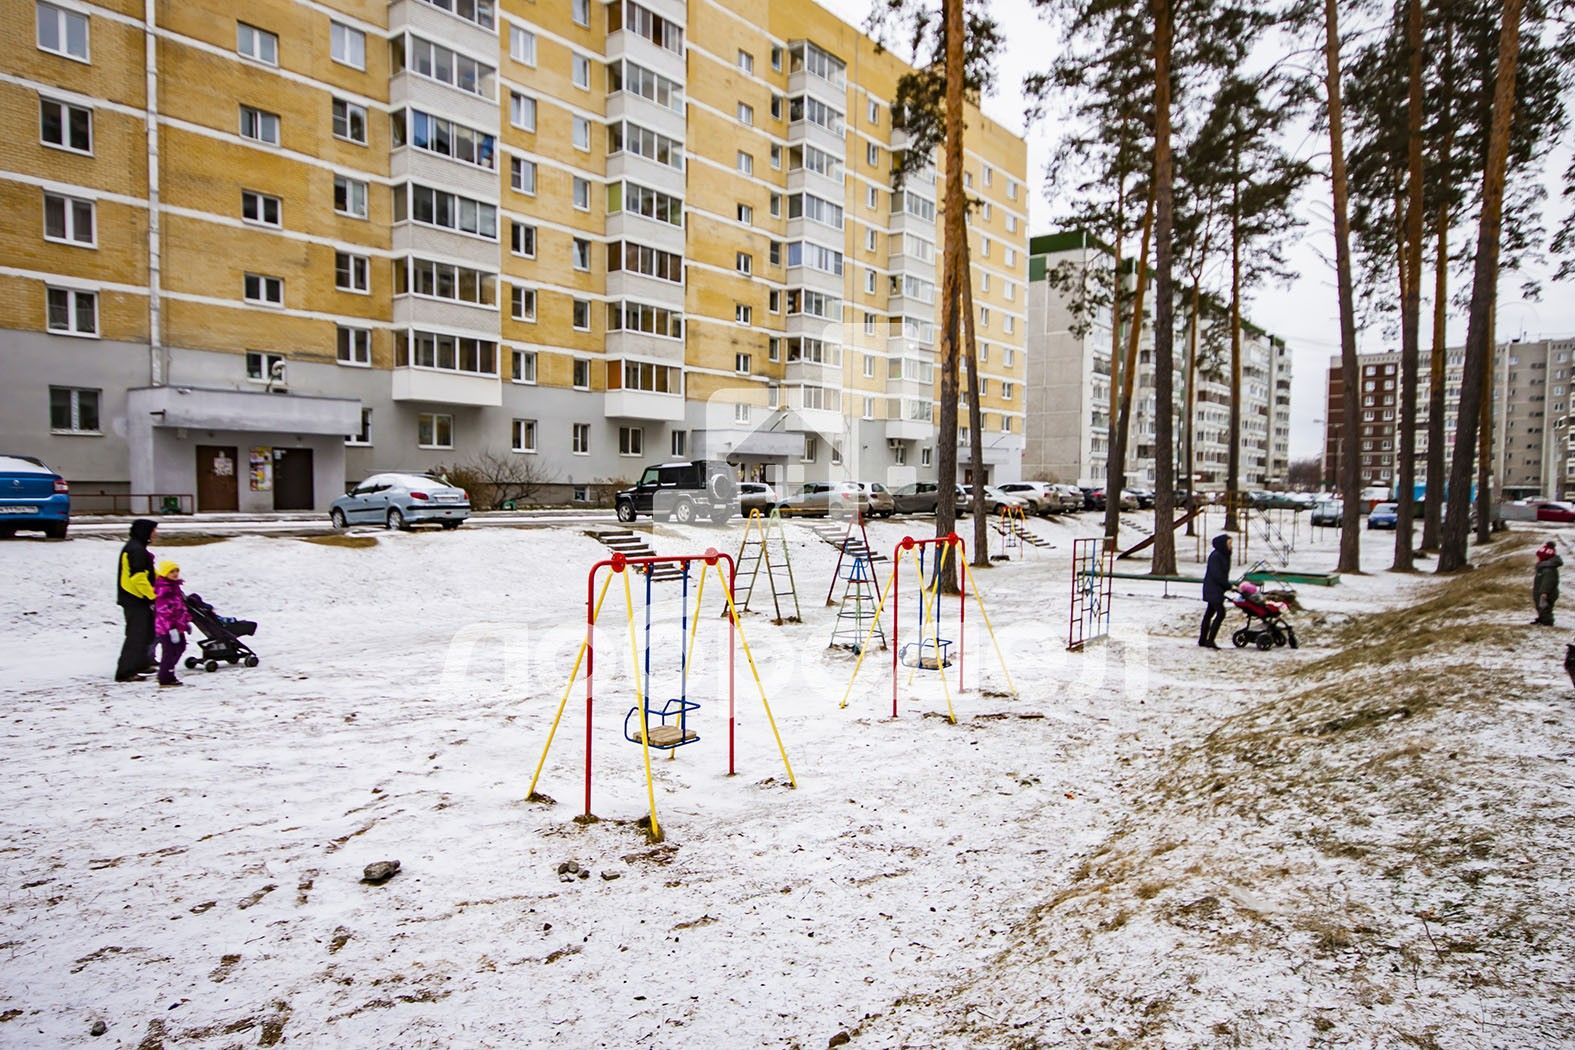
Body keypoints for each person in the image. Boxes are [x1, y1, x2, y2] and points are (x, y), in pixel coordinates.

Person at [115, 519, 159, 681]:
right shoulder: (136, 550)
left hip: (138, 598)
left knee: (147, 633)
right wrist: (153, 596)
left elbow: (150, 573)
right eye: (153, 531)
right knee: (136, 635)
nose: (155, 534)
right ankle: (125, 671)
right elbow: (138, 577)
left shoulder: (138, 548)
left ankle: (141, 664)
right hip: (135, 599)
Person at [153, 560, 192, 688]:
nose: (175, 574)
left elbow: (180, 607)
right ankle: (165, 677)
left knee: (180, 647)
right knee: (169, 651)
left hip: (177, 626)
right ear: (165, 573)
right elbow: (164, 611)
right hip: (167, 628)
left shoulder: (175, 587)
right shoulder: (164, 590)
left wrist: (185, 622)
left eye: (176, 571)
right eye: (171, 571)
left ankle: (166, 671)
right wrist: (172, 627)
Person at [1199, 533, 1232, 649]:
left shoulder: (1223, 555)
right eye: (1229, 543)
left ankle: (1203, 640)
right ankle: (1210, 640)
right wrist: (1228, 586)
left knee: (1209, 613)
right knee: (1221, 613)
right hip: (1213, 588)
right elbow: (1217, 575)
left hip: (1216, 589)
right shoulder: (1216, 556)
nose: (1231, 546)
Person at [1532, 541, 1562, 626]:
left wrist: (1544, 592)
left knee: (1545, 607)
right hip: (1540, 591)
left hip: (1546, 593)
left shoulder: (1548, 570)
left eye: (1539, 557)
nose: (1537, 559)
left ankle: (1547, 622)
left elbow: (1548, 582)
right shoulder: (1543, 568)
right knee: (1540, 606)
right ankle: (1542, 619)